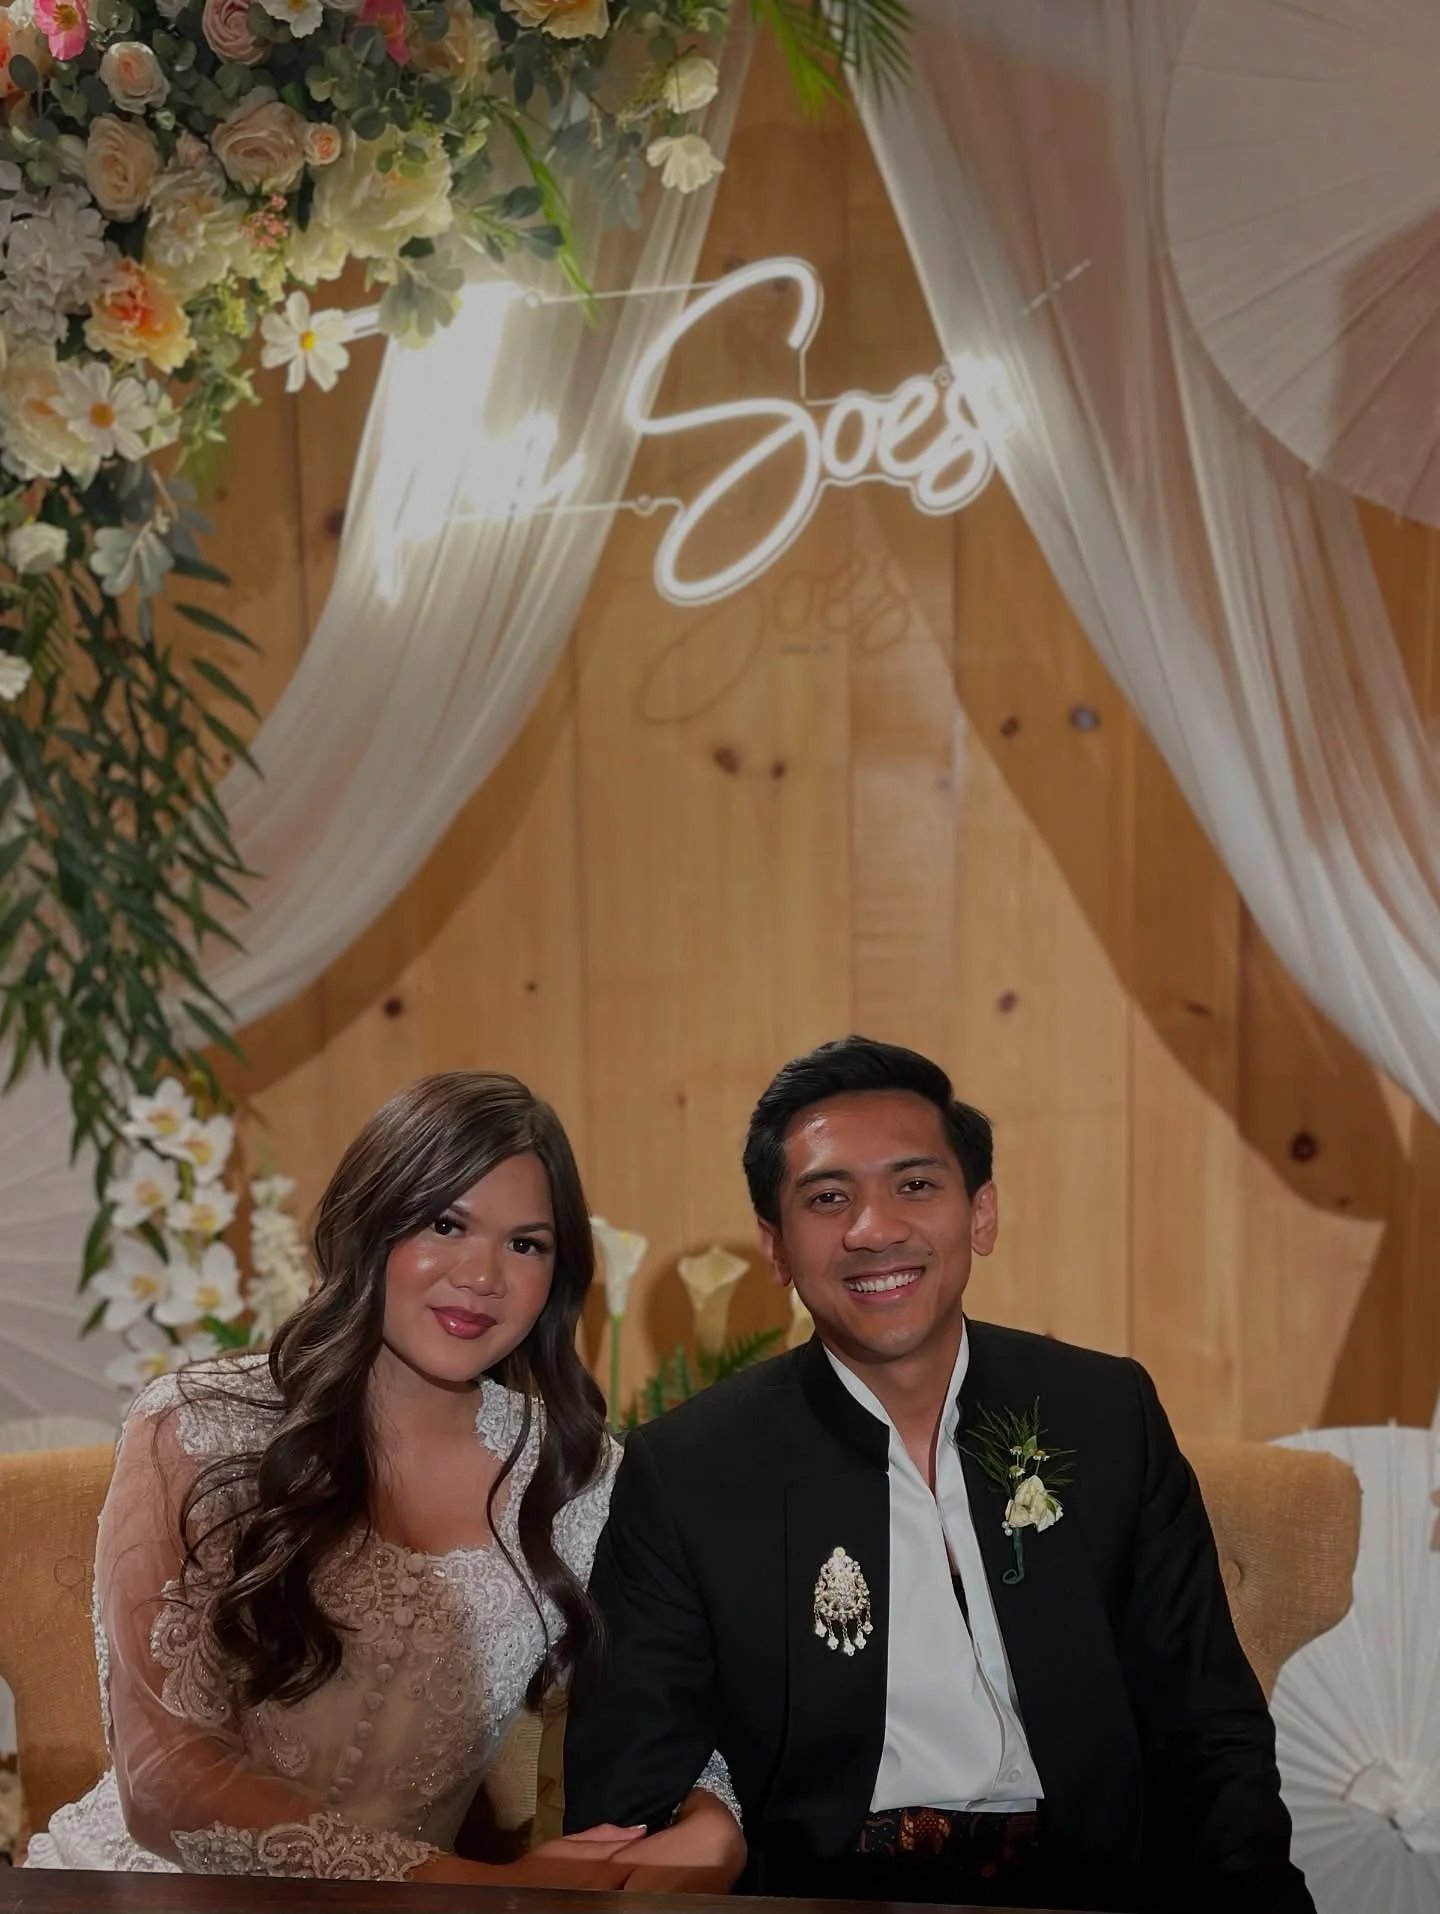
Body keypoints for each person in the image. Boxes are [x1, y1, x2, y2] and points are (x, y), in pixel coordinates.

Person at [564, 1036, 1316, 1913]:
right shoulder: (689, 1470)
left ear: (981, 1213)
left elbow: (1207, 1730)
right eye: (827, 1197)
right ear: (775, 1247)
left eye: (915, 1185)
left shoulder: (1106, 1415)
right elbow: (627, 1787)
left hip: (1090, 1888)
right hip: (823, 1896)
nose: (874, 1228)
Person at [27, 1071, 735, 1884]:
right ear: (369, 1224)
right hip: (145, 1894)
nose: (483, 1276)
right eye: (445, 1222)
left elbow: (673, 1699)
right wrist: (472, 1888)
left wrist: (716, 1821)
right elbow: (164, 1782)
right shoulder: (196, 1425)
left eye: (525, 1244)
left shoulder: (575, 1476)